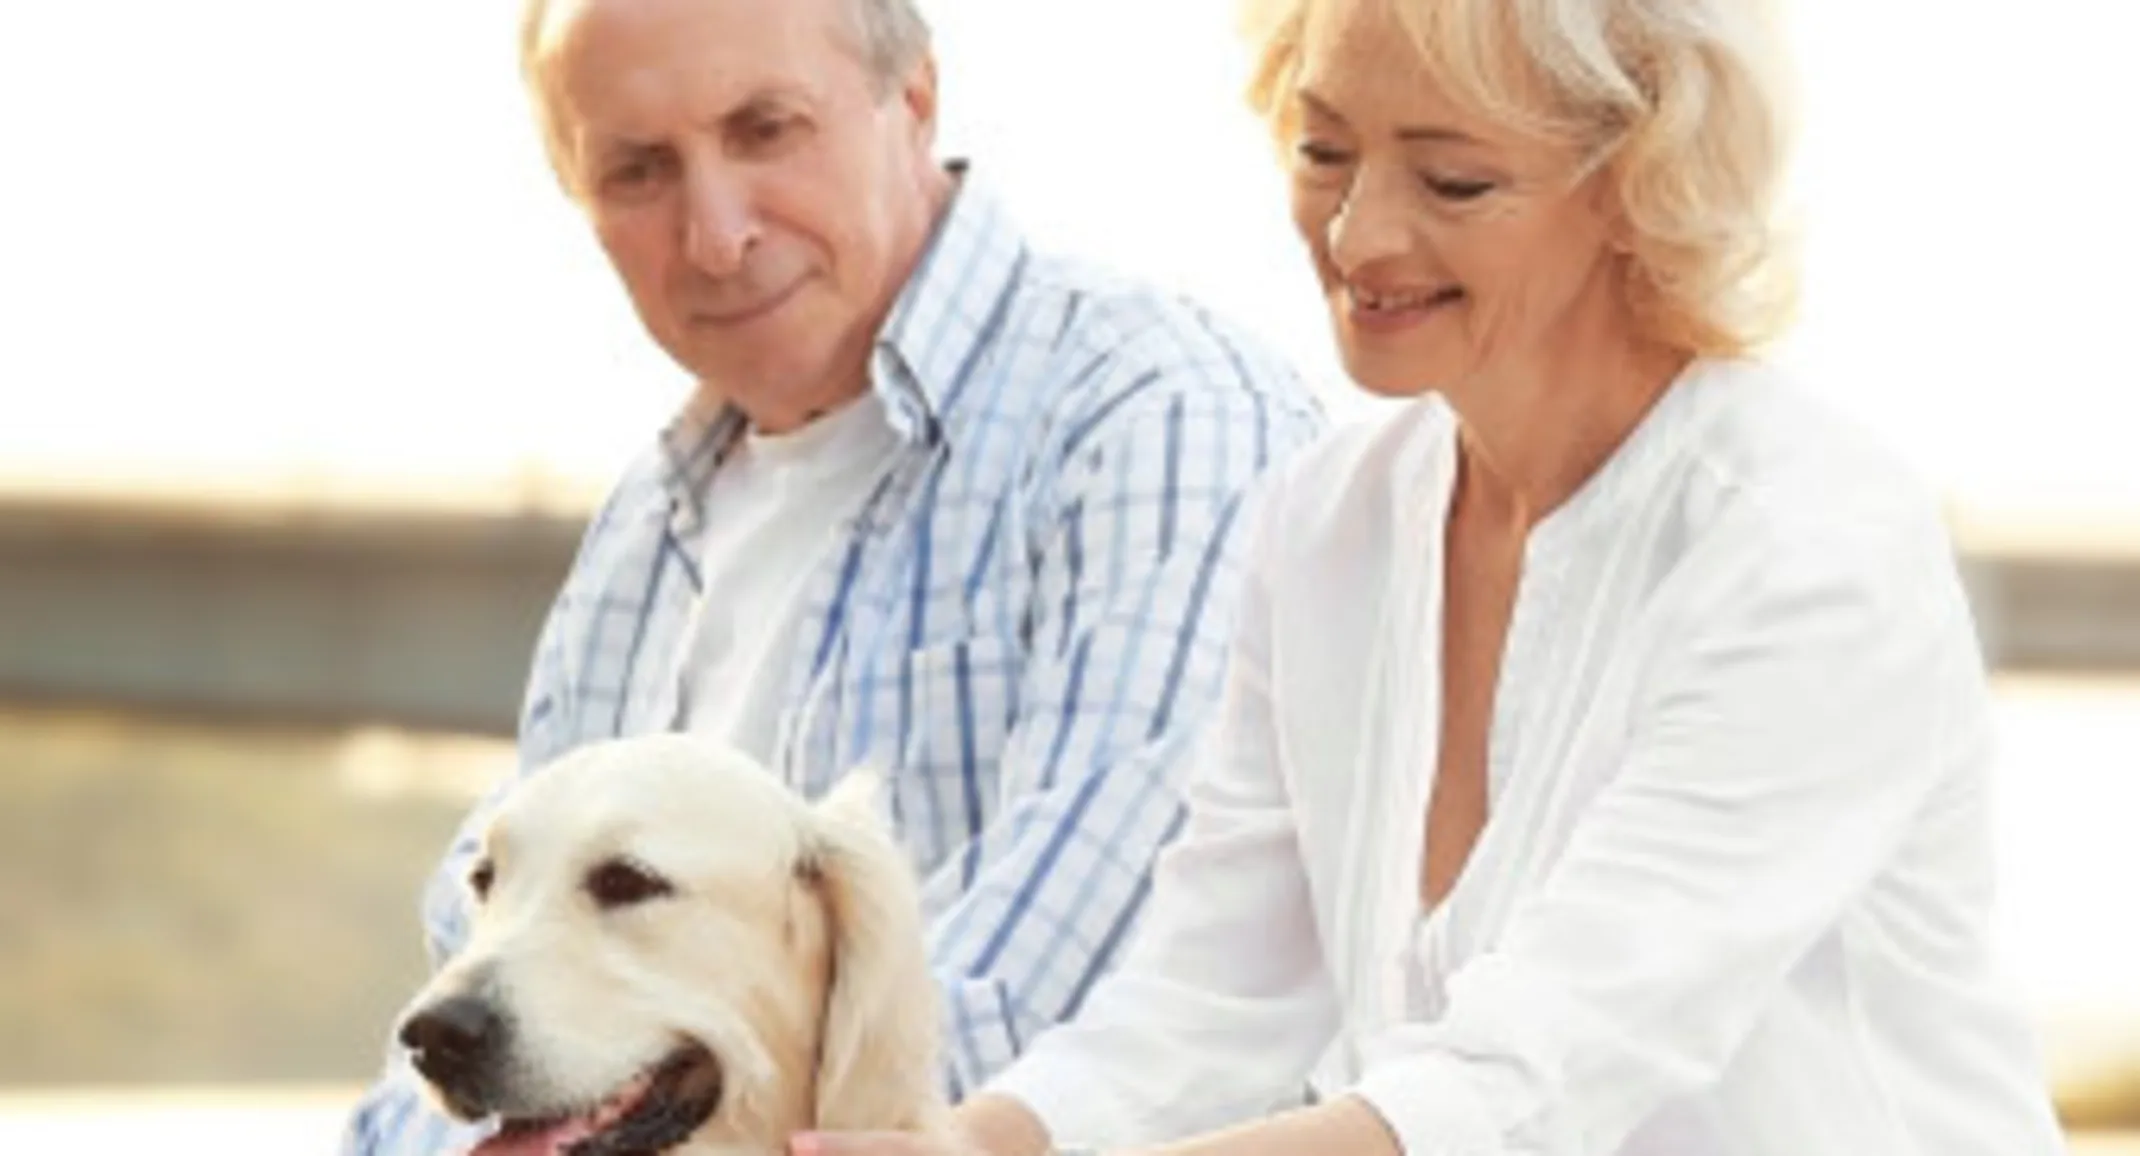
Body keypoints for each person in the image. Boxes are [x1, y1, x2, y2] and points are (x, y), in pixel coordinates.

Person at [792, 0, 2071, 1152]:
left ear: (1636, 184)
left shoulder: (1805, 541)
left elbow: (1523, 1085)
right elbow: (1212, 998)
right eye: (1324, 151)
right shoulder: (1325, 520)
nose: (1359, 234)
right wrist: (972, 1143)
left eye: (1454, 182)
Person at [340, 0, 1327, 1150]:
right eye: (638, 170)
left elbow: (1052, 1008)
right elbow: (470, 1035)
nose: (715, 231)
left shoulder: (1161, 421)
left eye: (765, 129)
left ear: (911, 101)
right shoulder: (638, 540)